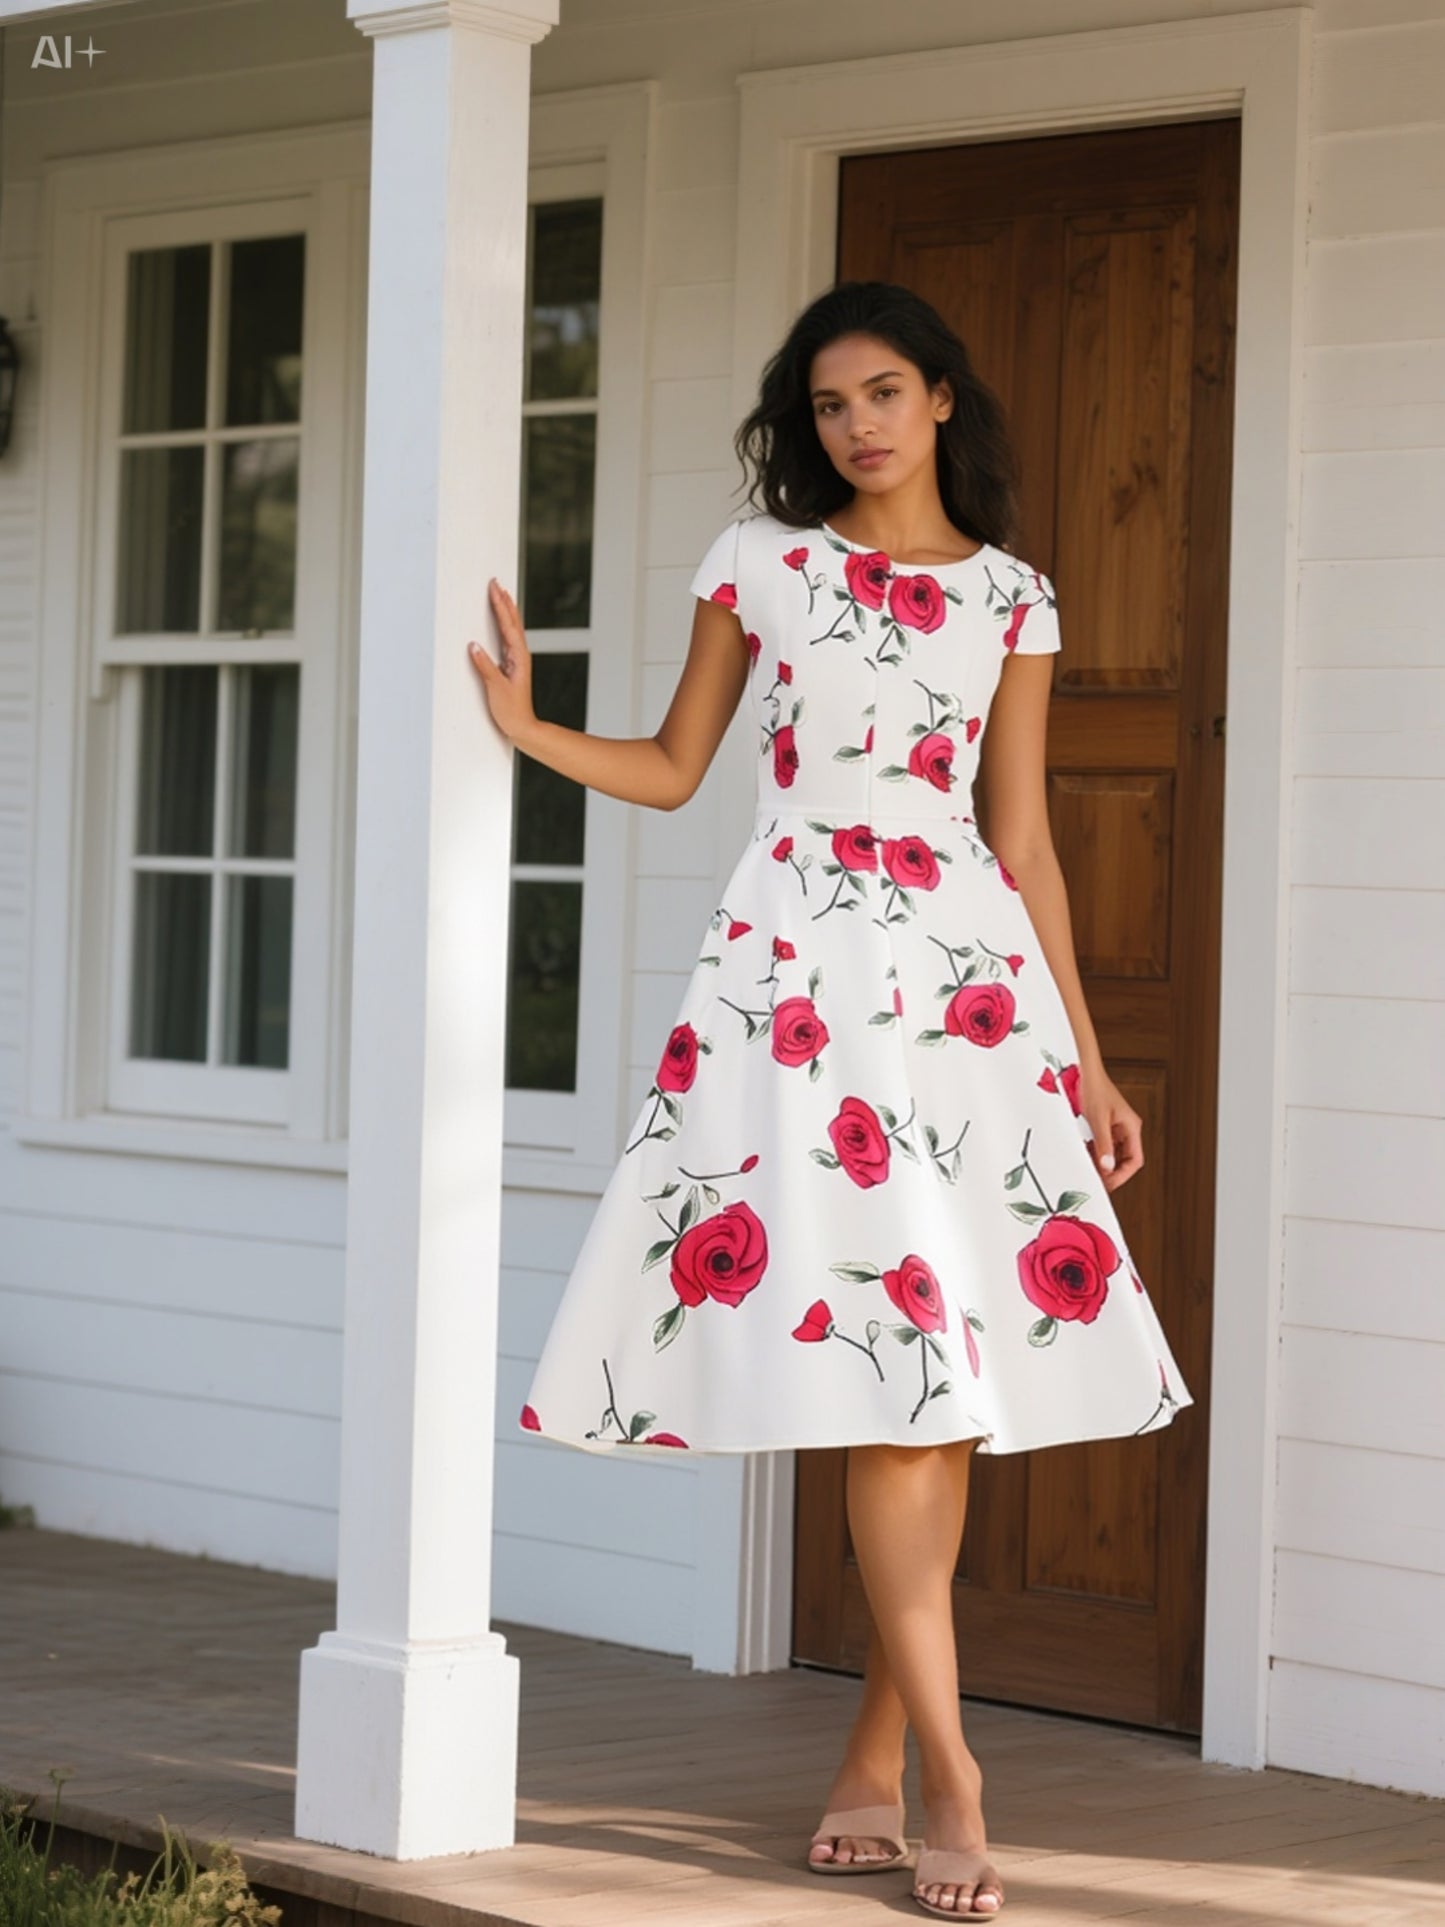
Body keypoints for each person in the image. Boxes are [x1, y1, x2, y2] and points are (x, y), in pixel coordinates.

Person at [467, 280, 1192, 1921]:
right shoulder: (762, 564)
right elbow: (674, 769)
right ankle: (954, 1777)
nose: (854, 424)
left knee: (936, 1382)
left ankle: (878, 1757)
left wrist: (1083, 1057)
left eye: (879, 392)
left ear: (939, 399)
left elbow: (1022, 838)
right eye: (825, 404)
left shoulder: (1012, 596)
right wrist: (530, 729)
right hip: (798, 990)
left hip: (963, 992)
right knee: (899, 1381)